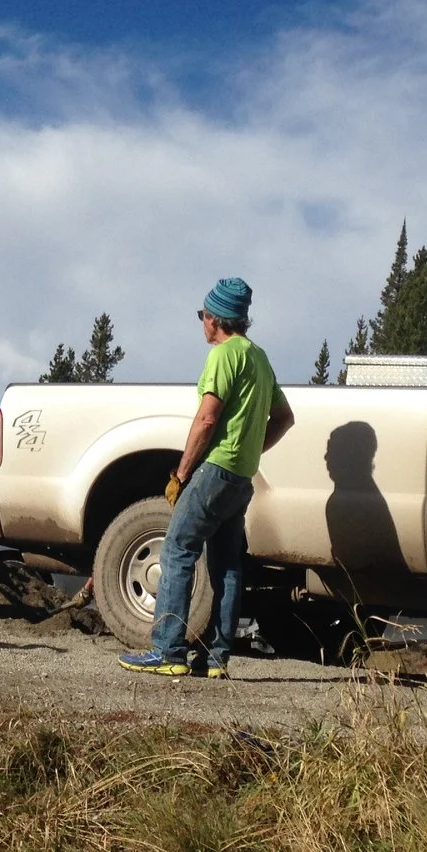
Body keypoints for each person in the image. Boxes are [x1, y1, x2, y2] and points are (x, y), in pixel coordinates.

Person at [118, 278, 294, 678]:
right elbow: (285, 418)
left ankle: (167, 651)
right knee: (227, 564)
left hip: (214, 470)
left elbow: (207, 419)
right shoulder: (259, 358)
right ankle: (216, 658)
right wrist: (251, 450)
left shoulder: (223, 356)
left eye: (203, 315)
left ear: (215, 319)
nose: (201, 322)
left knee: (177, 549)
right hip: (241, 478)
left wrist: (182, 472)